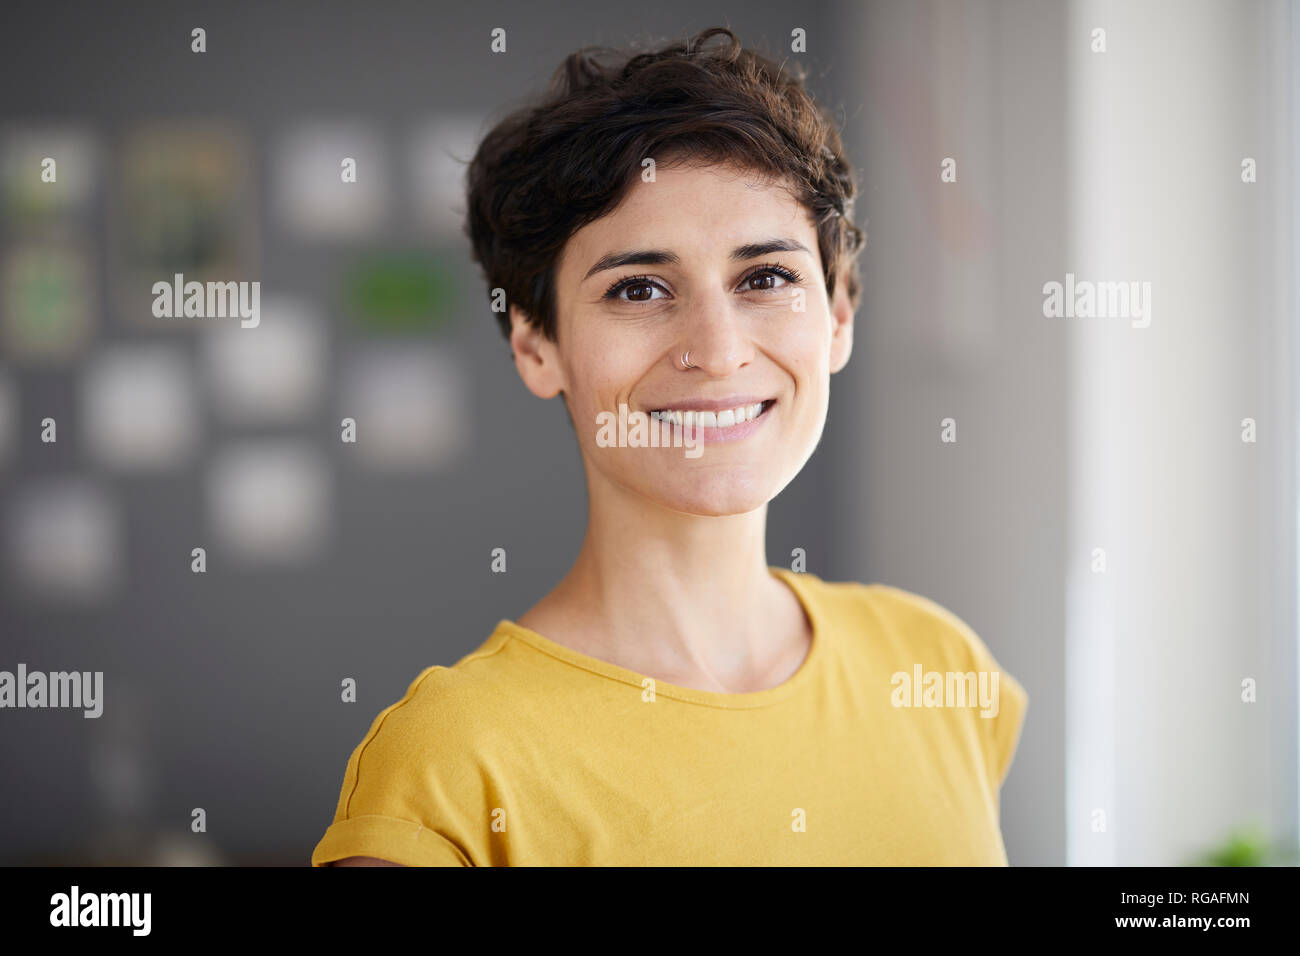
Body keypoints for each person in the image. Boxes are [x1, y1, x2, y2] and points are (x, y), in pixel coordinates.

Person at [312, 26, 1027, 866]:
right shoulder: (451, 769)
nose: (717, 350)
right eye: (639, 288)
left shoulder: (938, 668)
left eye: (766, 278)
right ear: (537, 344)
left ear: (838, 315)